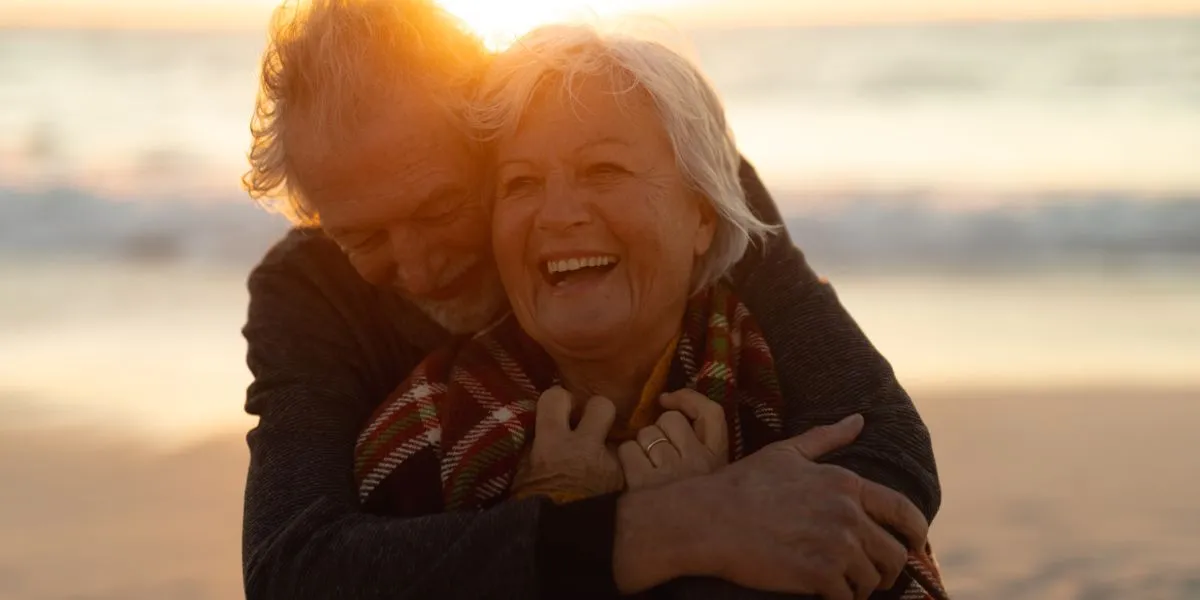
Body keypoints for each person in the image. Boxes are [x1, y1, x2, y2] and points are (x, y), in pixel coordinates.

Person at [240, 1, 941, 598]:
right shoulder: (307, 294)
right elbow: (294, 568)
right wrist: (672, 521)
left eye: (440, 207)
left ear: (497, 140)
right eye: (361, 236)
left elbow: (882, 441)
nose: (419, 268)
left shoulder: (676, 185)